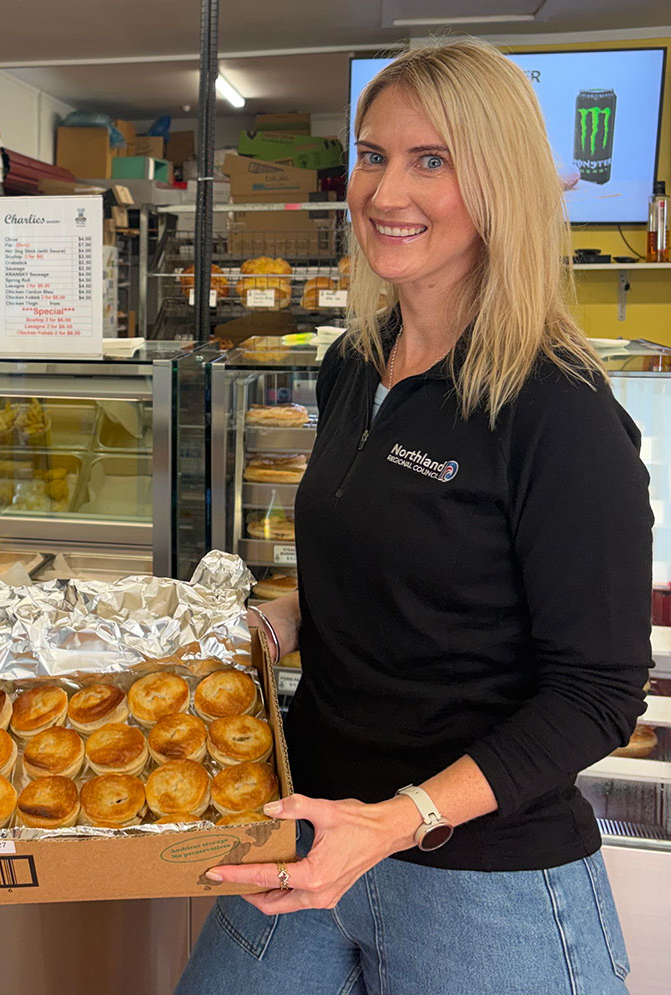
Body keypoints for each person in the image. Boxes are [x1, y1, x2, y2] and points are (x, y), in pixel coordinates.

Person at [178, 40, 652, 994]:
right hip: (309, 820)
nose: (385, 192)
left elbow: (598, 691)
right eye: (371, 155)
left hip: (488, 874)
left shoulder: (557, 410)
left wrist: (398, 819)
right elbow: (392, 552)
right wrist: (286, 615)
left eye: (431, 160)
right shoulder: (356, 364)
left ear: (500, 183)